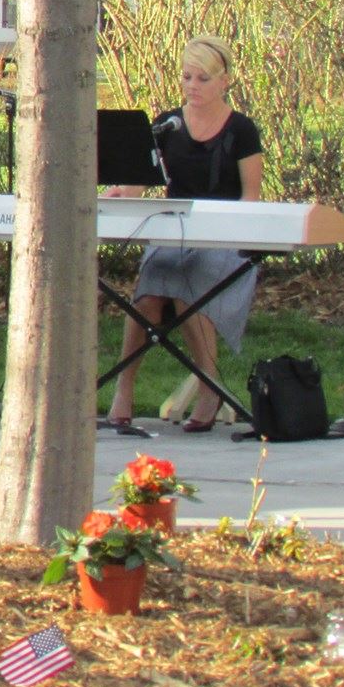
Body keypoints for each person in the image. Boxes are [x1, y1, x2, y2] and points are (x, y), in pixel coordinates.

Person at [103, 35, 264, 434]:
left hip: (223, 239)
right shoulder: (168, 124)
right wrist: (122, 191)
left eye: (203, 78)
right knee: (149, 291)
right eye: (187, 77)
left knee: (185, 284)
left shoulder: (242, 131)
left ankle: (209, 387)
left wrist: (224, 230)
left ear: (224, 80)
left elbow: (251, 198)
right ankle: (124, 387)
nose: (193, 86)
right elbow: (141, 182)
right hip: (174, 233)